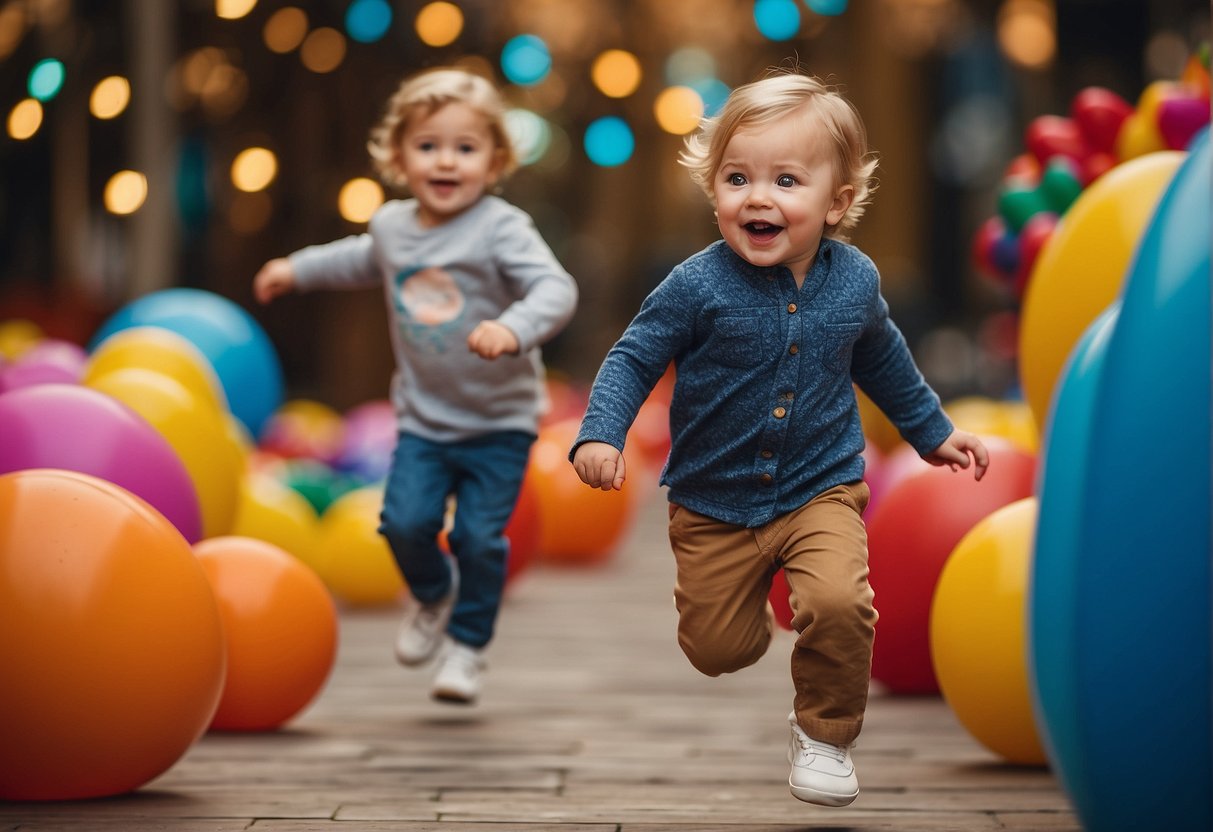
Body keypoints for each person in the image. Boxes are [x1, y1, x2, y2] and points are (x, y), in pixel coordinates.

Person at [569, 69, 988, 807]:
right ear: (714, 190)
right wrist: (602, 432)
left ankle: (824, 737)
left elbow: (882, 357)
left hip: (819, 486)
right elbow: (634, 354)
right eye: (736, 178)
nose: (757, 198)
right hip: (711, 499)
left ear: (837, 202)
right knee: (715, 650)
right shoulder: (695, 285)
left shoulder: (855, 280)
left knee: (838, 606)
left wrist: (932, 432)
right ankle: (750, 615)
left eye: (785, 180)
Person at [254, 67, 578, 705]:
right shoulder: (394, 228)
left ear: (494, 159)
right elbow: (356, 257)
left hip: (499, 420)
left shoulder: (501, 228)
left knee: (479, 539)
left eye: (465, 147)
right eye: (428, 146)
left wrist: (513, 329)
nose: (446, 161)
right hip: (426, 420)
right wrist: (294, 270)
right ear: (399, 157)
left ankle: (466, 644)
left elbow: (555, 288)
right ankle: (433, 595)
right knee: (404, 524)